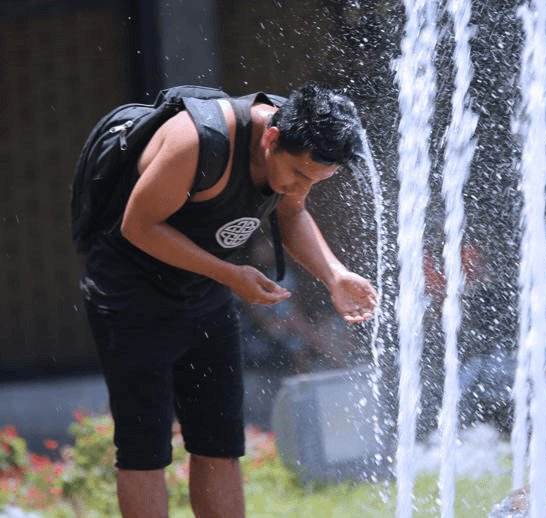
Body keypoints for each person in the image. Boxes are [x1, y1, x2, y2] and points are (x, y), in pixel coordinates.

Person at [79, 84, 377, 518]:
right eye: (298, 174)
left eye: (314, 180)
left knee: (219, 442)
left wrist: (334, 275)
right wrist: (228, 273)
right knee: (145, 448)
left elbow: (291, 211)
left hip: (205, 291)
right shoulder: (198, 141)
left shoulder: (294, 148)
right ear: (271, 138)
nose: (301, 187)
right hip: (131, 297)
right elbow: (137, 226)